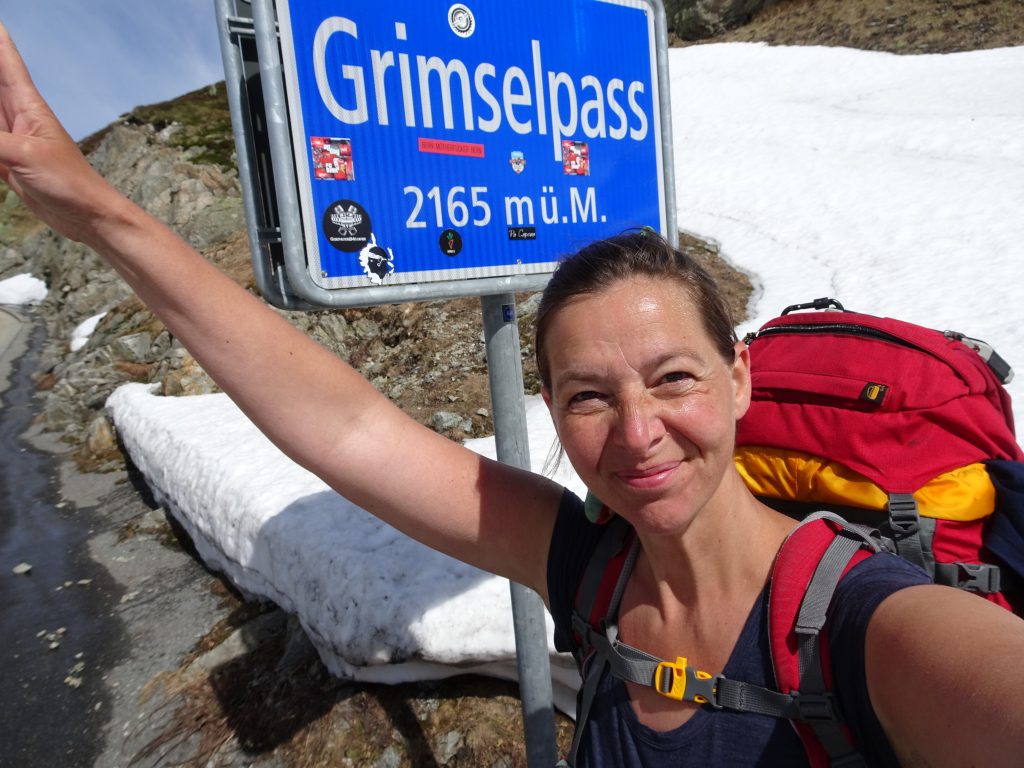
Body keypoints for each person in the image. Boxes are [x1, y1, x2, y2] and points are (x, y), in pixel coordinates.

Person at [1, 23, 1022, 767]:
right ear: (549, 408)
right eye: (587, 397)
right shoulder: (586, 564)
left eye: (672, 378)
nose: (637, 433)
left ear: (738, 375)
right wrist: (96, 211)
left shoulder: (870, 625)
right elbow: (348, 428)